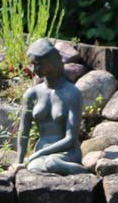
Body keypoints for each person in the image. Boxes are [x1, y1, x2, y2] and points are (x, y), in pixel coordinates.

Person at [14, 38, 86, 175]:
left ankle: (83, 173)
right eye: (33, 65)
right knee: (34, 169)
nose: (35, 69)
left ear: (51, 62)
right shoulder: (32, 93)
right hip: (40, 154)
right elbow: (24, 131)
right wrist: (19, 161)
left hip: (67, 152)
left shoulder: (72, 93)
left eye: (38, 64)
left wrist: (38, 153)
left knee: (52, 163)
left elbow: (71, 138)